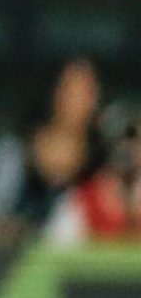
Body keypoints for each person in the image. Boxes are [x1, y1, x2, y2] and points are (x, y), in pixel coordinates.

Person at [0, 58, 104, 247]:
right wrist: (33, 236)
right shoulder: (16, 148)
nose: (77, 100)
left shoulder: (104, 153)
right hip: (20, 262)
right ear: (53, 91)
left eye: (86, 91)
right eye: (69, 90)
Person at [45, 100, 141, 244]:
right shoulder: (79, 200)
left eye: (134, 140)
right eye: (118, 140)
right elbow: (57, 253)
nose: (125, 149)